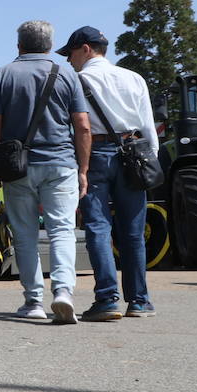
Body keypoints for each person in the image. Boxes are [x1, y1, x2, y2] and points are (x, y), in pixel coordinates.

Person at [0, 20, 91, 324]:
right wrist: (83, 169)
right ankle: (63, 292)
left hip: (17, 167)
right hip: (60, 164)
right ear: (49, 46)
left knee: (25, 235)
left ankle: (33, 302)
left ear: (19, 45)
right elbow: (82, 124)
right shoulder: (66, 73)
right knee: (61, 231)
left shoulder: (3, 74)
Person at [58, 26, 158, 320]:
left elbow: (74, 126)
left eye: (71, 53)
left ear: (86, 49)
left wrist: (77, 166)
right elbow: (148, 125)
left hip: (95, 154)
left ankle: (106, 299)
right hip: (134, 152)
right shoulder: (133, 78)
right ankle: (139, 301)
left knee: (98, 228)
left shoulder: (78, 81)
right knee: (133, 232)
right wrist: (150, 163)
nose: (69, 60)